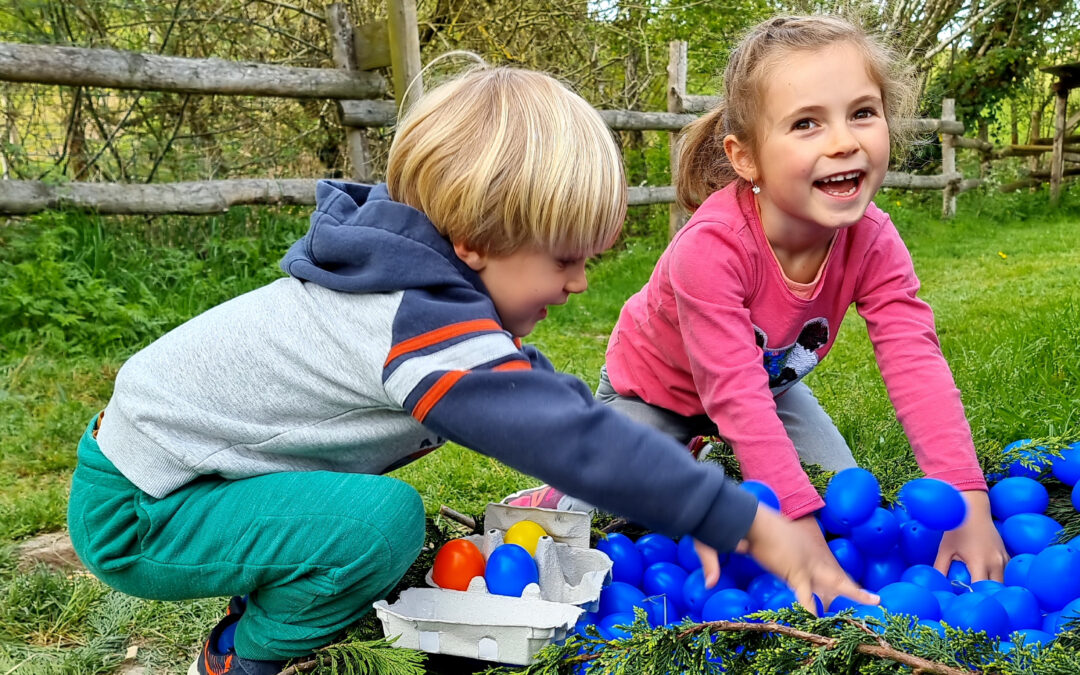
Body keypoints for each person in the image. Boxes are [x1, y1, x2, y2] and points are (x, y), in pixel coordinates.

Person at [66, 65, 876, 675]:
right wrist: (737, 517)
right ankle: (244, 657)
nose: (581, 283)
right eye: (564, 259)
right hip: (143, 505)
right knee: (378, 525)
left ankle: (278, 583)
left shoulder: (413, 281)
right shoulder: (405, 316)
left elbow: (538, 390)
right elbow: (562, 434)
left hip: (175, 468)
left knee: (363, 523)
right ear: (475, 244)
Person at [510, 15, 1009, 584]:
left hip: (771, 390)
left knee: (841, 502)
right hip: (653, 393)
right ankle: (554, 494)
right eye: (806, 124)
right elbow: (732, 391)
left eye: (863, 113)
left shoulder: (873, 239)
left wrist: (966, 497)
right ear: (744, 157)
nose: (844, 141)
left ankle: (705, 460)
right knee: (604, 518)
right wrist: (788, 520)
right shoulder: (712, 247)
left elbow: (914, 362)